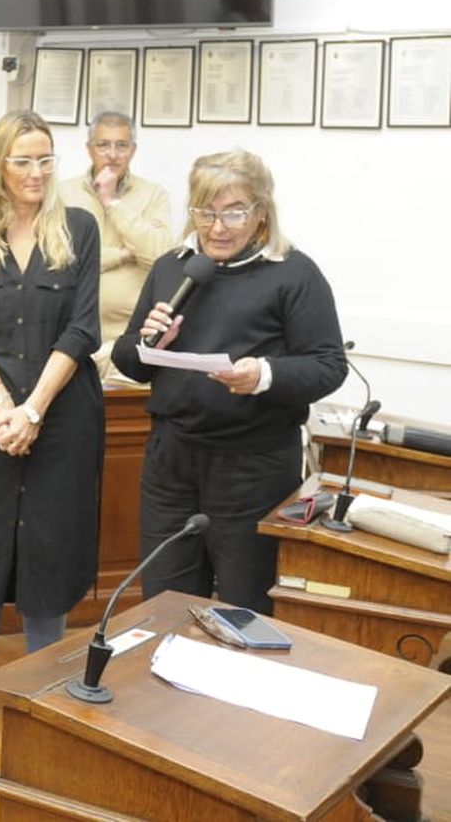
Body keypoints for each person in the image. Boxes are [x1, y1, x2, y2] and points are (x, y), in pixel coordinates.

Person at [112, 150, 346, 614]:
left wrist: (264, 375)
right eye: (206, 213)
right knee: (164, 605)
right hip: (171, 463)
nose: (218, 227)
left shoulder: (293, 273)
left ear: (261, 213)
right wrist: (148, 339)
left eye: (234, 213)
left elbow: (328, 365)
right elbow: (131, 364)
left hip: (253, 468)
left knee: (246, 606)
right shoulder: (172, 268)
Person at [0, 109, 102, 738]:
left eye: (45, 159)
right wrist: (6, 406)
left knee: (49, 548)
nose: (35, 172)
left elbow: (83, 327)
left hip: (61, 414)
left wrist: (34, 406)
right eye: (22, 160)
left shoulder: (79, 228)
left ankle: (42, 684)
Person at [57, 112, 172, 385]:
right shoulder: (62, 193)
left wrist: (111, 202)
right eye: (103, 145)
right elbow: (60, 259)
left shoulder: (153, 194)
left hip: (130, 344)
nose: (112, 154)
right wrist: (121, 254)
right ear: (89, 149)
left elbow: (160, 257)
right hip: (71, 342)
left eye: (122, 145)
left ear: (133, 150)